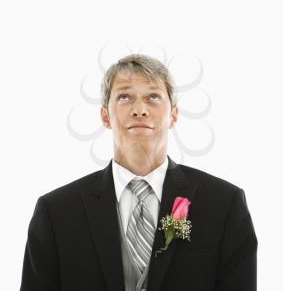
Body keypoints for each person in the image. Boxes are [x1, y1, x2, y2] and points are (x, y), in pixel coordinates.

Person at [20, 54, 258, 291]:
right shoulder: (56, 212)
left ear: (174, 115)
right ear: (105, 115)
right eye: (124, 97)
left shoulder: (224, 204)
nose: (139, 109)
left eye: (153, 97)